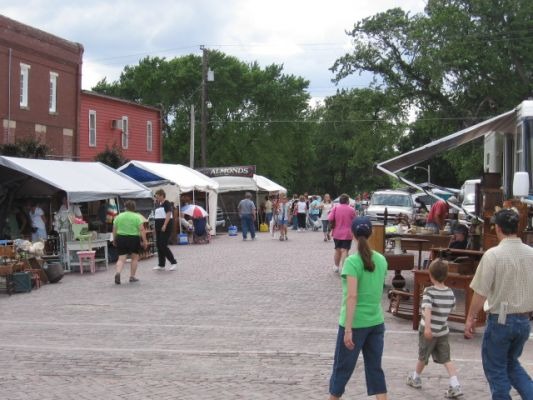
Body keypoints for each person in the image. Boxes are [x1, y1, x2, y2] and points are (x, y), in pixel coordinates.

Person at [464, 209, 533, 399]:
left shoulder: (493, 255)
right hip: (523, 320)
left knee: (495, 370)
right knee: (511, 364)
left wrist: (471, 317)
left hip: (501, 319)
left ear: (498, 228)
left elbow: (480, 291)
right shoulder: (531, 253)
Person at [328, 216, 388, 400]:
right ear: (370, 234)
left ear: (352, 235)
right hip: (376, 321)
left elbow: (352, 296)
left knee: (342, 368)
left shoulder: (352, 262)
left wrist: (347, 329)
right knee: (375, 368)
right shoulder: (381, 260)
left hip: (355, 323)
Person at [406, 259, 463, 398]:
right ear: (446, 275)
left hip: (429, 330)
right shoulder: (450, 292)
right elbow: (452, 307)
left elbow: (428, 309)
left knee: (423, 355)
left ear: (430, 275)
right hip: (443, 331)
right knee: (447, 359)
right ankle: (455, 385)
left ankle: (416, 377)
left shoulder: (429, 291)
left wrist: (428, 328)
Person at [112, 200, 148, 284]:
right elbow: (142, 229)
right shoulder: (137, 217)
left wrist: (114, 239)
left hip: (121, 238)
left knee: (121, 258)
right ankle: (132, 277)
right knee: (134, 258)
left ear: (125, 207)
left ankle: (118, 273)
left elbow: (114, 229)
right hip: (134, 238)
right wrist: (145, 241)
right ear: (134, 208)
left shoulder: (119, 216)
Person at [328, 194, 356, 273]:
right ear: (347, 201)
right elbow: (355, 220)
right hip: (348, 233)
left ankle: (336, 266)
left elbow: (330, 218)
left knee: (337, 250)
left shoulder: (335, 208)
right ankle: (344, 268)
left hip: (337, 232)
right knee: (345, 251)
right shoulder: (351, 209)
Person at [152, 189, 178, 271]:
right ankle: (161, 264)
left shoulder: (167, 203)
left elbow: (169, 213)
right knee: (159, 245)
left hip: (165, 226)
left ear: (162, 195)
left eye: (157, 196)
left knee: (163, 244)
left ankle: (173, 262)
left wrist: (165, 225)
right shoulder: (157, 204)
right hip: (158, 227)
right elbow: (156, 216)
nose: (156, 198)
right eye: (156, 196)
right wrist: (154, 228)